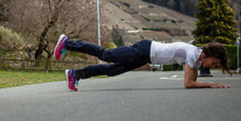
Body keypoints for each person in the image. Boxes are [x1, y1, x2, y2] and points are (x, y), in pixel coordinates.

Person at [54, 34, 231, 92]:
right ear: (208, 55)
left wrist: (206, 83)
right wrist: (211, 84)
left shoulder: (197, 59)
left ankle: (75, 74)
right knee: (106, 54)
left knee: (113, 70)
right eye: (214, 63)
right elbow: (189, 83)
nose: (213, 67)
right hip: (145, 50)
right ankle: (68, 43)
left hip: (146, 55)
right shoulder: (193, 54)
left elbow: (192, 82)